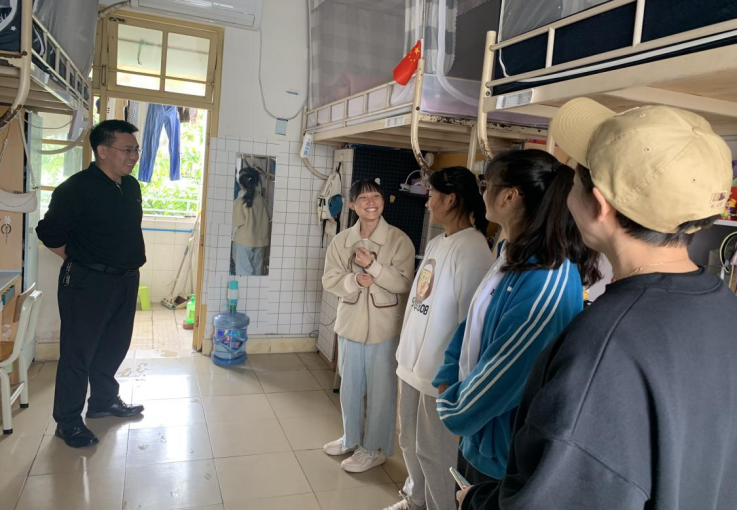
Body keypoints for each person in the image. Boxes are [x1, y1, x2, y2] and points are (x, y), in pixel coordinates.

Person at [458, 99, 737, 510]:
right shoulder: (724, 307)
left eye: (574, 178)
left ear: (599, 205)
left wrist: (474, 502)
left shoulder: (603, 345)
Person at [433, 150, 601, 490]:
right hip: (480, 435)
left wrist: (455, 408)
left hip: (504, 455)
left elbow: (509, 369)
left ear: (509, 196)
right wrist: (448, 376)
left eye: (487, 185)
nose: (483, 193)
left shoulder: (546, 276)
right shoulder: (511, 253)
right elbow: (475, 322)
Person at [36, 121, 147, 449]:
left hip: (126, 279)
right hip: (88, 281)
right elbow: (49, 234)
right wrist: (82, 260)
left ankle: (103, 401)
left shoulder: (130, 186)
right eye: (127, 150)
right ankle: (68, 421)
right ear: (102, 150)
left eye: (136, 150)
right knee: (78, 352)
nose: (134, 156)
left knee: (114, 345)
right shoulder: (76, 188)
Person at [389, 167, 494, 511]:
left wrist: (457, 377)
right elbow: (420, 302)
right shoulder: (437, 242)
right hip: (412, 365)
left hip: (440, 375)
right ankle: (415, 498)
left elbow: (470, 325)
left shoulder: (474, 251)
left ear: (451, 200)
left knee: (435, 454)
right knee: (409, 440)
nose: (427, 202)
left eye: (431, 195)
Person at [322, 180, 416, 473]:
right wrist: (353, 280)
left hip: (384, 327)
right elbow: (329, 279)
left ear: (383, 202)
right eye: (363, 198)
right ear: (352, 205)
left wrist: (374, 268)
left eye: (376, 197)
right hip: (350, 323)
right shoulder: (341, 242)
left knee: (381, 391)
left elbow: (404, 282)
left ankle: (375, 448)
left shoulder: (399, 240)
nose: (371, 202)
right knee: (349, 387)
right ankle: (351, 438)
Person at [232, 167, 270, 275]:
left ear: (240, 184)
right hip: (260, 242)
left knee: (243, 274)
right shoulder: (262, 201)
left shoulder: (240, 202)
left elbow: (236, 222)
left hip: (244, 242)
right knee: (256, 275)